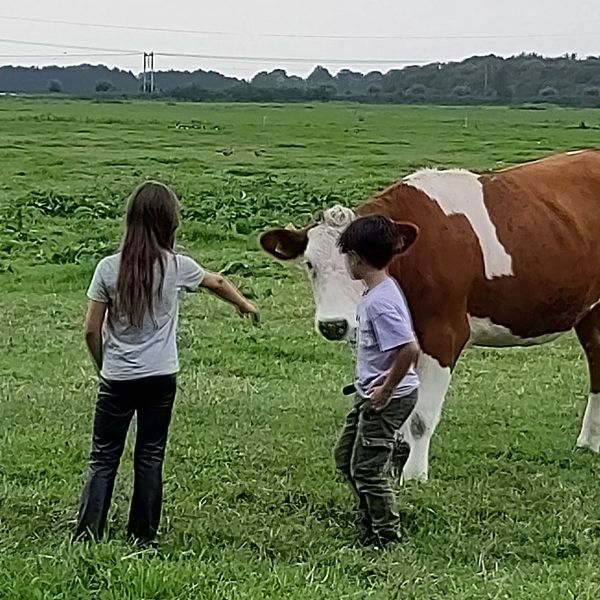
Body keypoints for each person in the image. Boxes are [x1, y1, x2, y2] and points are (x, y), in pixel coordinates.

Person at [75, 181, 258, 545]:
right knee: (150, 456)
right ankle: (143, 537)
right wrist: (246, 304)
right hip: (160, 376)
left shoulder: (108, 269)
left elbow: (90, 331)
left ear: (130, 220)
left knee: (103, 458)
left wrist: (103, 365)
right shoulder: (176, 266)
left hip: (117, 377)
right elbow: (217, 281)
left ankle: (87, 534)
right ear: (169, 223)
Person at [334, 214, 420, 548]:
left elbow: (409, 349)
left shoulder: (381, 303)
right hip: (370, 395)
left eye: (347, 258)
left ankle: (386, 535)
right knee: (346, 459)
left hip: (388, 398)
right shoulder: (380, 290)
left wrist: (384, 389)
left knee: (367, 469)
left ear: (356, 259)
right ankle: (371, 510)